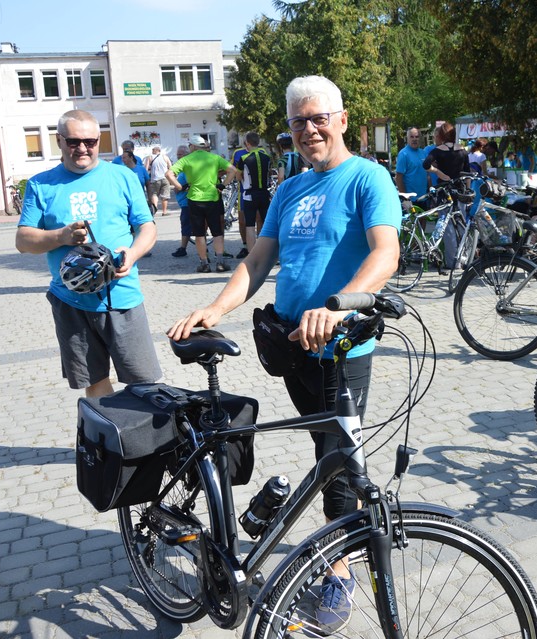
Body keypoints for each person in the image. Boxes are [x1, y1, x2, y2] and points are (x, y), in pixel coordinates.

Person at [168, 75, 400, 635]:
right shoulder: (291, 188)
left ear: (342, 120)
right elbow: (257, 258)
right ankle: (286, 515)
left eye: (319, 118)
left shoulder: (367, 177)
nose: (310, 129)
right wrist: (217, 307)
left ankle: (338, 569)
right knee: (326, 451)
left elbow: (385, 252)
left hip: (343, 345)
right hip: (293, 345)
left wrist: (342, 305)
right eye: (299, 121)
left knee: (343, 459)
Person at [15, 109, 161, 399]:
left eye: (90, 141)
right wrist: (61, 236)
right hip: (71, 300)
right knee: (94, 382)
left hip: (122, 296)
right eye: (73, 141)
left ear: (99, 140)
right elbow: (23, 241)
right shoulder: (41, 184)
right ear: (59, 141)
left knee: (144, 383)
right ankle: (109, 441)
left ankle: (145, 443)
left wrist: (132, 254)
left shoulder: (123, 176)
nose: (82, 148)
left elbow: (147, 228)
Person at [165, 134, 238, 273]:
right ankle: (220, 262)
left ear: (192, 146)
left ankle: (204, 263)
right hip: (213, 198)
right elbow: (233, 170)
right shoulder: (214, 157)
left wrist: (179, 186)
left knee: (199, 234)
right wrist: (223, 185)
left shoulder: (186, 159)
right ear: (203, 146)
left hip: (194, 200)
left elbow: (168, 174)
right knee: (217, 232)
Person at [423, 122, 470, 274]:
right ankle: (464, 258)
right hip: (460, 191)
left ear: (441, 136)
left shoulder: (438, 151)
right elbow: (467, 173)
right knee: (462, 225)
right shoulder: (463, 151)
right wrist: (467, 191)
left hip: (445, 192)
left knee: (447, 226)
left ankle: (452, 261)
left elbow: (425, 165)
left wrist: (437, 172)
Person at [239, 130, 272, 255]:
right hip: (264, 193)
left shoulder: (244, 158)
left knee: (250, 225)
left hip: (249, 195)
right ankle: (269, 253)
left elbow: (239, 176)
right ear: (258, 142)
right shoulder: (267, 157)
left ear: (247, 143)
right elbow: (269, 173)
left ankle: (252, 254)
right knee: (266, 224)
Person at [394, 127, 429, 198]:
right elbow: (398, 177)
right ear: (407, 139)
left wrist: (431, 189)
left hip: (425, 197)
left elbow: (428, 174)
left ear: (420, 138)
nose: (414, 139)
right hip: (411, 199)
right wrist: (404, 197)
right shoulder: (403, 154)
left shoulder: (423, 153)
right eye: (411, 137)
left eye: (417, 137)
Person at [171, 145, 192, 258]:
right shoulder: (183, 167)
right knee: (186, 225)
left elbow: (190, 182)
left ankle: (183, 248)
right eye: (178, 154)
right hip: (184, 201)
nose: (178, 156)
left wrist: (179, 187)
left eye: (179, 154)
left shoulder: (187, 167)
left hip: (187, 202)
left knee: (186, 225)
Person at [144, 146, 173, 216]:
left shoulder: (150, 157)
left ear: (154, 150)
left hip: (155, 179)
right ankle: (164, 211)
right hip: (165, 178)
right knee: (165, 196)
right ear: (159, 151)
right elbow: (171, 167)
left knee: (154, 195)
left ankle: (154, 210)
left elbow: (145, 169)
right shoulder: (165, 157)